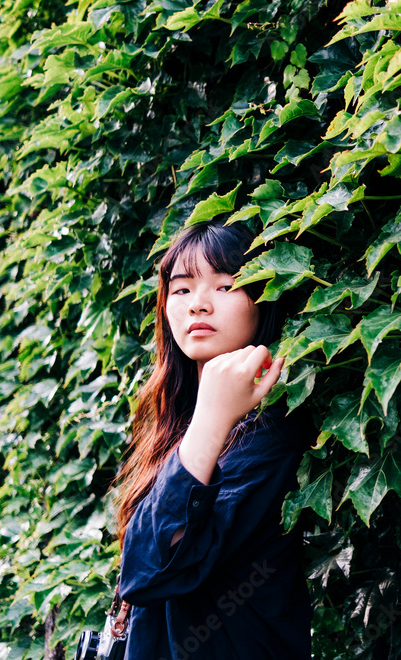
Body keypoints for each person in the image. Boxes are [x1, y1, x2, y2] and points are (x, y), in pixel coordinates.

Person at [112, 220, 312, 659]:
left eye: (224, 286)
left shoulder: (272, 433)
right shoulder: (176, 424)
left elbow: (147, 572)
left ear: (265, 300)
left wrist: (213, 415)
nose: (198, 305)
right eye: (181, 290)